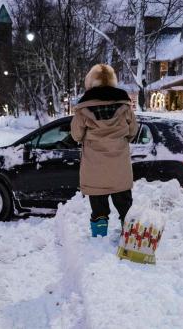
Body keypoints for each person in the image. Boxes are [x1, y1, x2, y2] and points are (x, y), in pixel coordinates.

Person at [71, 64, 138, 237]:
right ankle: (131, 239)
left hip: (94, 169)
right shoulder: (125, 106)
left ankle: (99, 242)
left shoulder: (83, 108)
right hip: (119, 168)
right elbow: (133, 132)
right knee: (126, 209)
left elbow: (76, 135)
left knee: (99, 210)